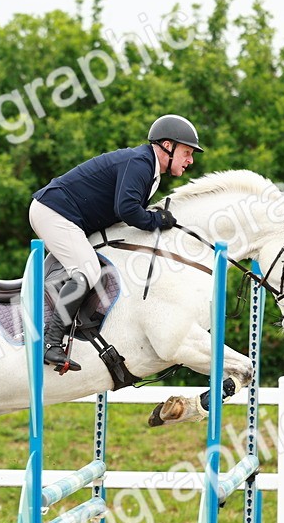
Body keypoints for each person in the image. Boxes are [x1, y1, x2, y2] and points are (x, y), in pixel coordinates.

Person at [28, 114, 203, 371]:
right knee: (87, 270)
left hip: (67, 216)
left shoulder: (150, 171)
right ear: (168, 145)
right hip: (54, 212)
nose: (190, 160)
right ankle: (51, 342)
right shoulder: (141, 163)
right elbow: (127, 210)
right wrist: (157, 220)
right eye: (187, 152)